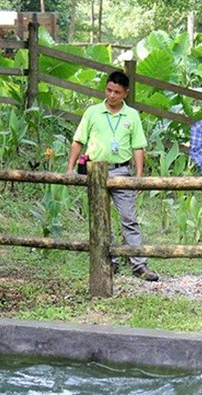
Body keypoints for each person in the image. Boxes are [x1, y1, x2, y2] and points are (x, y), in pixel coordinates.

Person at [66, 71, 158, 282]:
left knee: (129, 219)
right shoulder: (93, 112)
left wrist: (139, 174)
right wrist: (70, 168)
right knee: (100, 218)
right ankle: (108, 262)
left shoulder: (132, 116)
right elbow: (78, 141)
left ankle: (138, 264)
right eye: (109, 90)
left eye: (117, 92)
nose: (112, 95)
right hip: (95, 171)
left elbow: (138, 146)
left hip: (121, 171)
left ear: (126, 93)